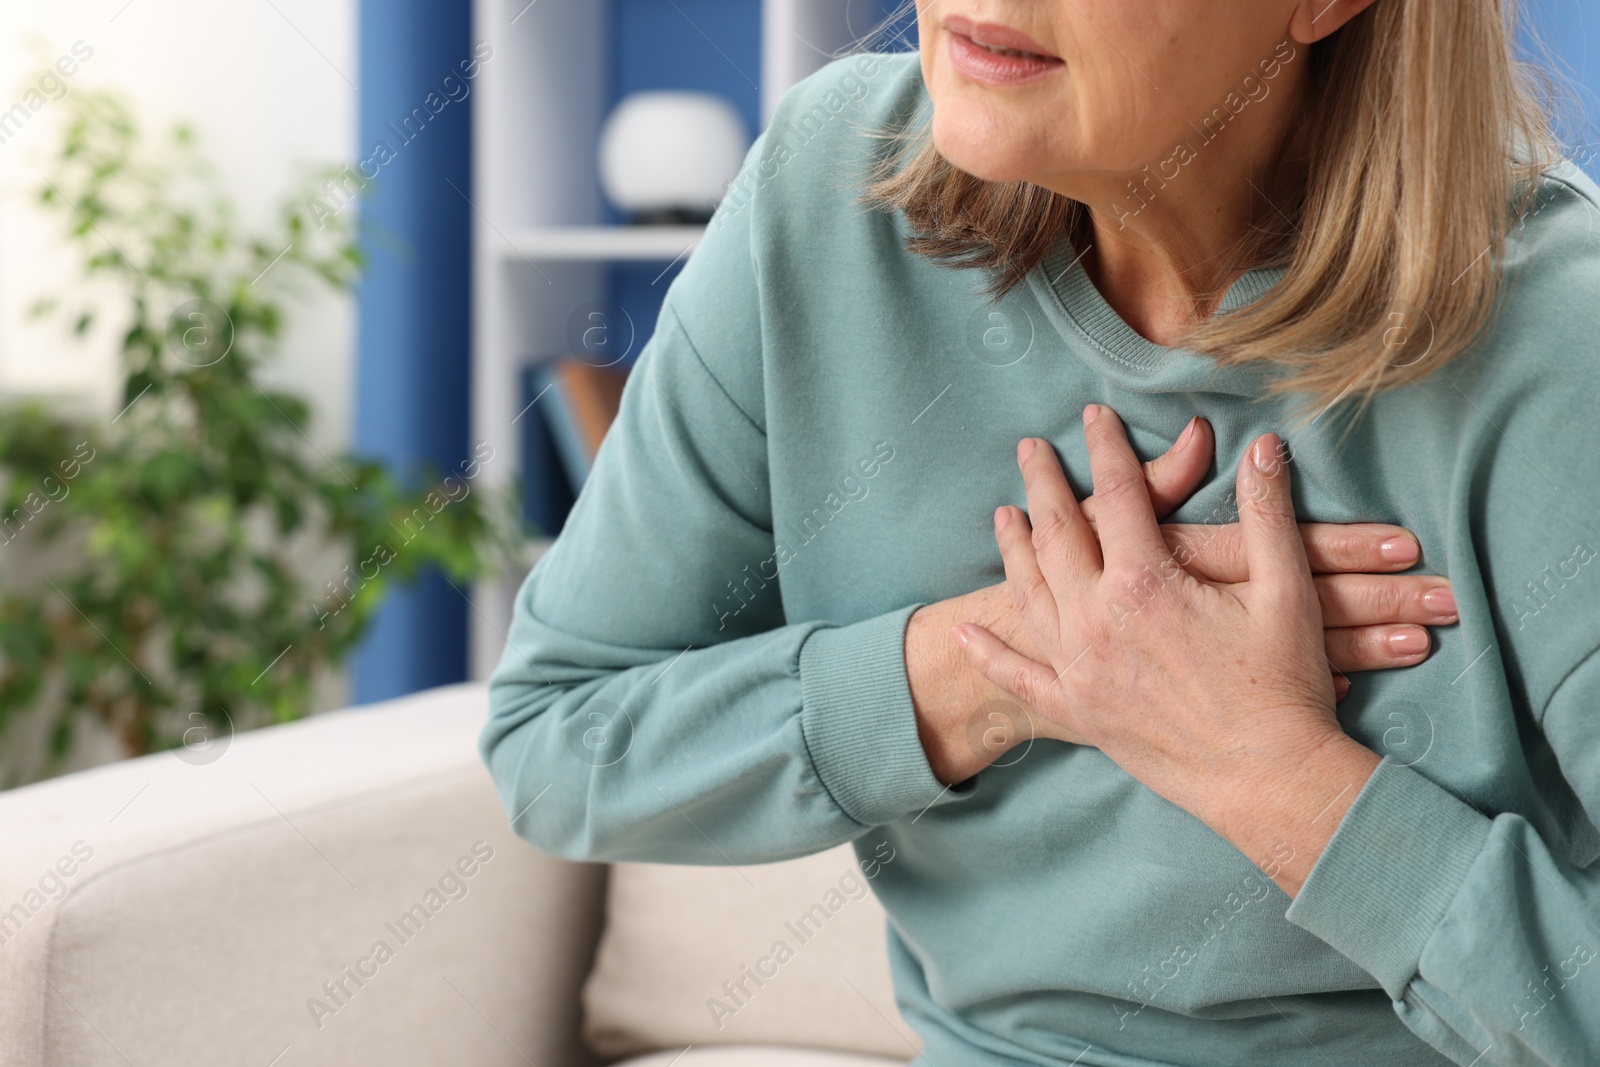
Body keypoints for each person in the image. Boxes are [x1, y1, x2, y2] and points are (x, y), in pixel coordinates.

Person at [482, 1, 1600, 1063]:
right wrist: (1004, 665)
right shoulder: (824, 191)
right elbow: (559, 734)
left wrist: (1275, 775)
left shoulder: (1556, 340)